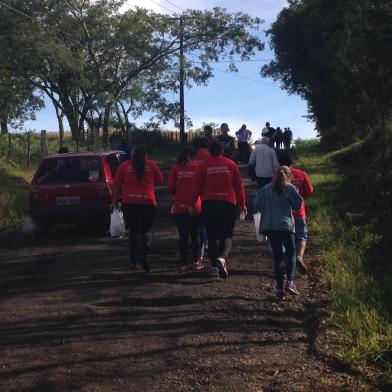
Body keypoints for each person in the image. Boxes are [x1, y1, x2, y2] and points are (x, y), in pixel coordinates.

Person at [192, 140, 247, 279]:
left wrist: (192, 203)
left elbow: (196, 186)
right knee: (227, 234)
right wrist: (242, 203)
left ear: (210, 151)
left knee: (212, 235)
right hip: (227, 203)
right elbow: (238, 186)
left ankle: (214, 268)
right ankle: (222, 258)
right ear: (222, 151)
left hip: (209, 204)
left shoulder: (203, 166)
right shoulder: (230, 164)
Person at [254, 166, 303, 300]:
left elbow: (256, 206)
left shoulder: (265, 189)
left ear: (275, 175)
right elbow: (297, 206)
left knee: (278, 257)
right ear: (289, 176)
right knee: (291, 253)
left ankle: (280, 290)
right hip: (286, 226)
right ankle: (290, 282)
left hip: (270, 226)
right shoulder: (289, 188)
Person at [113, 145, 163, 272]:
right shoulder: (151, 165)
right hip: (148, 202)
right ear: (145, 155)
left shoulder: (124, 166)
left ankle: (133, 261)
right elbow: (160, 180)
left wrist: (115, 202)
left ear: (132, 154)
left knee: (133, 233)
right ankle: (143, 254)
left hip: (129, 202)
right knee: (147, 230)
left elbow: (117, 185)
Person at [167, 147, 204, 273]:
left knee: (183, 236)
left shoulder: (175, 168)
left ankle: (183, 264)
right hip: (195, 207)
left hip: (179, 207)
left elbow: (170, 187)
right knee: (195, 235)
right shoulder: (197, 168)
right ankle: (196, 261)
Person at [277, 150, 314, 274]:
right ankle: (298, 257)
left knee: (283, 239)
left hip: (282, 215)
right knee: (301, 236)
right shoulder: (301, 174)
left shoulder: (276, 177)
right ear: (292, 162)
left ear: (278, 162)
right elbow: (309, 192)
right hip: (299, 213)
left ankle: (285, 261)